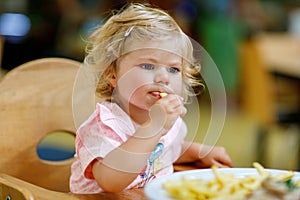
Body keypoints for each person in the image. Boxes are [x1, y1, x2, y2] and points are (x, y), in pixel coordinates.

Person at [70, 3, 233, 193]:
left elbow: (161, 152)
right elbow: (111, 181)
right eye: (148, 66)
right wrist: (154, 127)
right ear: (112, 75)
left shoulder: (165, 122)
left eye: (173, 69)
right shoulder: (104, 126)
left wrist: (199, 151)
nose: (163, 77)